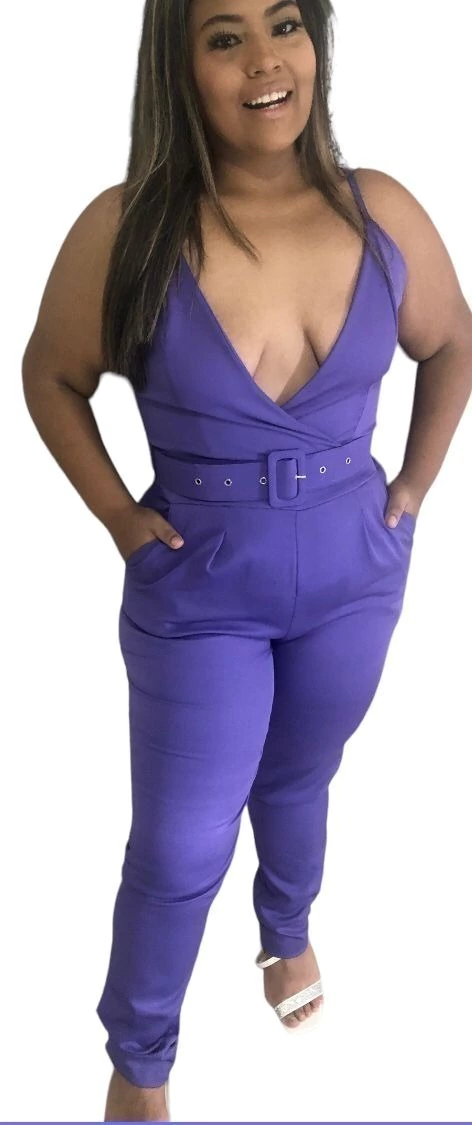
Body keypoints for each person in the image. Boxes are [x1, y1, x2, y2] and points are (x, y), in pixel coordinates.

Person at [21, 0, 472, 1120]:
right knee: (181, 843)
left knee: (300, 773)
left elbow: (454, 341)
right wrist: (119, 517)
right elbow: (49, 376)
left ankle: (285, 927)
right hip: (201, 590)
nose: (266, 60)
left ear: (318, 40)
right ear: (178, 66)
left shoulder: (380, 210)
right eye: (224, 37)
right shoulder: (129, 227)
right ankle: (140, 1063)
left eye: (286, 24)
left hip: (356, 577)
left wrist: (413, 489)